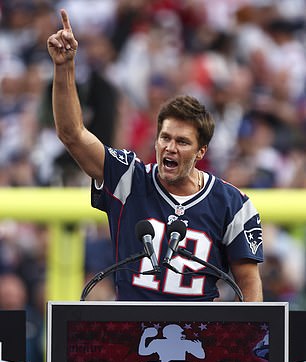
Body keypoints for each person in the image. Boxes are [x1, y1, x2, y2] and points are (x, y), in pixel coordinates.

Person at [47, 9, 263, 302]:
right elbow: (72, 134)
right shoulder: (130, 178)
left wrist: (240, 342)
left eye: (183, 142)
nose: (170, 147)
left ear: (201, 151)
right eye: (165, 138)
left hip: (198, 340)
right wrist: (65, 67)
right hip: (130, 339)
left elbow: (249, 285)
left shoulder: (232, 204)